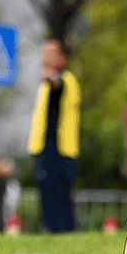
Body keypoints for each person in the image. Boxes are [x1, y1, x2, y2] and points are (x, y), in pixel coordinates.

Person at [27, 39, 80, 232]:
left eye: (51, 53)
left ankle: (64, 233)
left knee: (60, 198)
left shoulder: (66, 80)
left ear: (63, 58)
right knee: (48, 198)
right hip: (43, 148)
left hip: (61, 150)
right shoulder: (44, 86)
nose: (45, 57)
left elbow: (58, 83)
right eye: (44, 53)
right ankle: (55, 233)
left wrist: (50, 76)